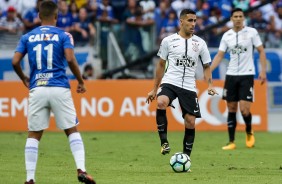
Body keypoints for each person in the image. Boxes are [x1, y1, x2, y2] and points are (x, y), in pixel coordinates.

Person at [11, 1, 96, 184]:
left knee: (34, 134)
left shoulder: (27, 37)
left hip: (37, 88)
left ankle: (30, 179)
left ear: (39, 17)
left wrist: (24, 78)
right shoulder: (64, 35)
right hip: (59, 87)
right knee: (71, 130)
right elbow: (70, 58)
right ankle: (81, 169)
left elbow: (15, 62)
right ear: (56, 16)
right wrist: (80, 81)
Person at [146, 9, 218, 161]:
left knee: (190, 121)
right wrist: (154, 89)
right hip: (170, 81)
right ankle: (164, 142)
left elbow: (206, 66)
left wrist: (210, 85)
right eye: (190, 20)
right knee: (160, 102)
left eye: (194, 21)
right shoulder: (168, 41)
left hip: (188, 85)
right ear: (181, 22)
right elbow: (160, 65)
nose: (193, 24)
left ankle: (186, 157)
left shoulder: (200, 43)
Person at [210, 8, 267, 150]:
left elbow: (261, 51)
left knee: (245, 110)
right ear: (231, 18)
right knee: (231, 108)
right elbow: (219, 55)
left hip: (247, 74)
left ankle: (249, 132)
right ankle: (231, 141)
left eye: (240, 16)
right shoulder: (227, 35)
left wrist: (263, 71)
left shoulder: (252, 32)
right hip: (231, 75)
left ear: (243, 18)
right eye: (235, 16)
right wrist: (208, 71)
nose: (238, 18)